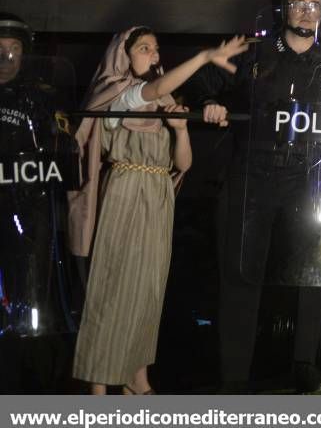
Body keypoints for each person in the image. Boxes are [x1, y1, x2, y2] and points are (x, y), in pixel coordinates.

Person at [185, 0, 321, 393]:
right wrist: (210, 102)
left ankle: (306, 364)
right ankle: (233, 377)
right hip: (252, 175)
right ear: (283, 7)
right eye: (298, 3)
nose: (306, 11)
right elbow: (202, 82)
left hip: (307, 178)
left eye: (315, 5)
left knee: (311, 273)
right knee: (241, 274)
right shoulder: (253, 53)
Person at [68, 27, 247, 395]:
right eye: (143, 48)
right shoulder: (116, 92)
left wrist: (180, 130)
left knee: (148, 289)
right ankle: (98, 387)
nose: (152, 54)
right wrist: (203, 57)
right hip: (125, 191)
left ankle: (137, 377)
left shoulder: (166, 104)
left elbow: (183, 163)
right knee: (112, 288)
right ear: (125, 55)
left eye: (155, 48)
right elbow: (149, 91)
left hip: (159, 195)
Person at [0, 13, 77, 392]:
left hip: (29, 212)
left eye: (13, 50)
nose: (6, 59)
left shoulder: (39, 98)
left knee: (32, 296)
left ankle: (30, 381)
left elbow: (65, 152)